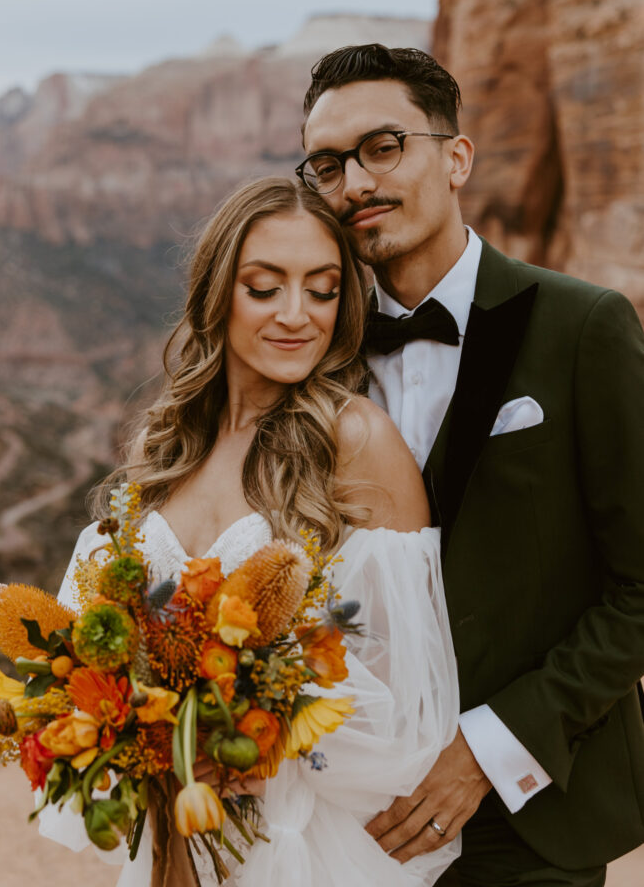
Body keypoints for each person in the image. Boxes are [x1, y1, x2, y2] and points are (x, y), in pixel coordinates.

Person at [40, 176, 460, 886]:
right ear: (216, 294)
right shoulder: (169, 442)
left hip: (297, 849)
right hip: (171, 836)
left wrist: (261, 741)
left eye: (322, 290)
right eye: (264, 288)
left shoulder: (355, 437)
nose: (296, 315)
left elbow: (408, 705)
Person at [296, 43, 644, 887]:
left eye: (383, 147)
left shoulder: (584, 326)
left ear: (456, 158)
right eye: (327, 165)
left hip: (531, 813)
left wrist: (488, 750)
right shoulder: (307, 354)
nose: (354, 184)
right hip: (349, 817)